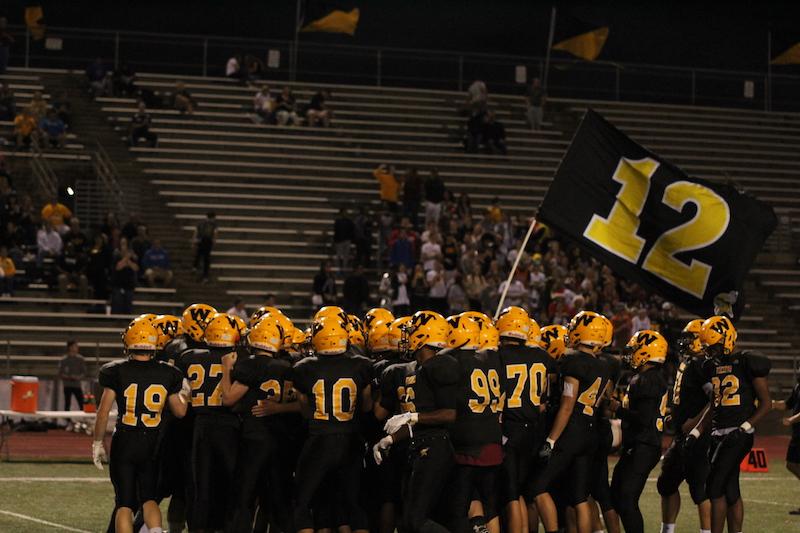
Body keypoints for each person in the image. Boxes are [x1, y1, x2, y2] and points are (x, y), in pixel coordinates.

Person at [92, 320, 188, 533]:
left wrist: (97, 442)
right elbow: (180, 411)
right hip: (153, 441)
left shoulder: (115, 371)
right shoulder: (168, 372)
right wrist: (185, 395)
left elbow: (103, 411)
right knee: (149, 498)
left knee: (125, 502)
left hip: (125, 439)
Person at [373, 311, 458, 533]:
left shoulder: (440, 365)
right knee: (408, 522)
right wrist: (390, 439)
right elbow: (418, 420)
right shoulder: (418, 369)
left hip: (436, 447)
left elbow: (450, 414)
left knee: (415, 521)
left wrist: (413, 417)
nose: (407, 336)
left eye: (412, 331)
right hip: (419, 445)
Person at [292, 314, 373, 533]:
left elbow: (304, 407)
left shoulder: (303, 367)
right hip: (350, 439)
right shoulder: (362, 365)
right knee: (354, 504)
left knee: (303, 502)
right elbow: (366, 406)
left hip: (319, 438)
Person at [533, 311, 613, 533]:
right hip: (590, 431)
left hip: (571, 431)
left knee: (537, 488)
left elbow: (568, 405)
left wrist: (551, 439)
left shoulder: (573, 361)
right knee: (579, 497)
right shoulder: (603, 364)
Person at [695, 315, 772, 533]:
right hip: (718, 433)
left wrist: (745, 427)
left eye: (714, 347)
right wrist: (697, 431)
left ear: (728, 340)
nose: (711, 353)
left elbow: (766, 403)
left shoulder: (747, 361)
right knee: (730, 489)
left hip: (739, 434)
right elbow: (714, 404)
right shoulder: (712, 367)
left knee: (714, 487)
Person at [220, 316, 296, 531]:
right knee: (279, 500)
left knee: (244, 497)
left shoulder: (249, 365)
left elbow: (228, 399)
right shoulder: (286, 366)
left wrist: (226, 369)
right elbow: (294, 401)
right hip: (280, 439)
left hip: (254, 437)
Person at [495, 308, 555, 533]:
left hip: (510, 428)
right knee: (525, 494)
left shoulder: (499, 355)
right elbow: (543, 400)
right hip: (534, 430)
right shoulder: (541, 355)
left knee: (511, 494)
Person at [609, 330, 668, 533]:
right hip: (638, 444)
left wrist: (617, 409)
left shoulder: (648, 379)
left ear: (646, 352)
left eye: (635, 349)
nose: (631, 354)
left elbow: (643, 418)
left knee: (626, 499)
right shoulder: (645, 377)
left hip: (644, 445)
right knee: (616, 495)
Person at [657, 320, 712, 533]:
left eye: (690, 338)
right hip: (682, 436)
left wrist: (695, 422)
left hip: (699, 436)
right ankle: (667, 530)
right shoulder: (688, 362)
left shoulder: (701, 365)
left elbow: (716, 399)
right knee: (667, 483)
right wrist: (676, 415)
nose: (685, 341)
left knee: (700, 489)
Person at [774, 368, 800, 515]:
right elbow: (786, 404)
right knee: (791, 464)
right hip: (797, 434)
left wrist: (791, 419)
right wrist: (769, 403)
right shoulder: (797, 387)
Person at [111, 238, 138, 314]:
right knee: (117, 299)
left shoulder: (132, 257)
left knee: (129, 299)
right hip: (118, 283)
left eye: (124, 244)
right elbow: (118, 267)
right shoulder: (116, 256)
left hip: (129, 284)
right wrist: (127, 258)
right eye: (122, 244)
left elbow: (135, 268)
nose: (123, 246)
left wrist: (127, 261)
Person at [60, 340, 87, 411]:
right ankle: (67, 420)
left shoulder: (80, 359)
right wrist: (68, 377)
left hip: (77, 384)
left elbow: (84, 373)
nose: (77, 348)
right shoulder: (64, 360)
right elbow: (61, 373)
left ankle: (84, 418)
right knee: (67, 403)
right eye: (75, 346)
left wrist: (77, 377)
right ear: (70, 347)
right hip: (67, 384)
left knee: (81, 402)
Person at [192, 211, 217, 283]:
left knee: (198, 254)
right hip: (208, 242)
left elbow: (195, 232)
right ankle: (205, 275)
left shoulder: (200, 223)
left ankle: (195, 267)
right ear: (213, 217)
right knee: (206, 259)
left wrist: (193, 241)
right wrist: (214, 241)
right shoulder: (213, 224)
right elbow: (215, 233)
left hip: (200, 241)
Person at [333, 208, 355, 274]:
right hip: (339, 241)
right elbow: (336, 231)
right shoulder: (338, 221)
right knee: (338, 255)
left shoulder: (349, 221)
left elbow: (352, 230)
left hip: (347, 240)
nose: (345, 214)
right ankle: (338, 269)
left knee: (346, 256)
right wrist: (335, 241)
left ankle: (344, 268)